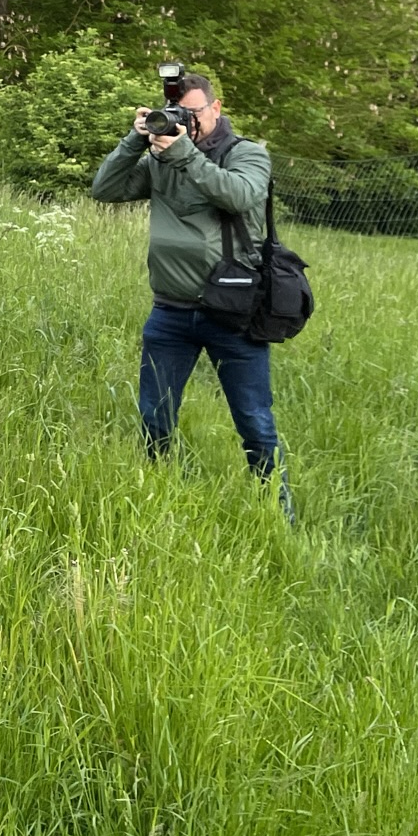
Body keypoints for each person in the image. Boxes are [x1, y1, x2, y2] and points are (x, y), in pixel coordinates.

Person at [89, 70, 291, 516]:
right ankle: (156, 498)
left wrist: (183, 152)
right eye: (178, 113)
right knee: (154, 415)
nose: (187, 121)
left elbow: (239, 196)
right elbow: (104, 189)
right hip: (170, 312)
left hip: (233, 310)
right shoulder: (161, 158)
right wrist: (135, 140)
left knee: (254, 421)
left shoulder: (247, 154)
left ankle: (278, 513)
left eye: (194, 113)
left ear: (216, 108)